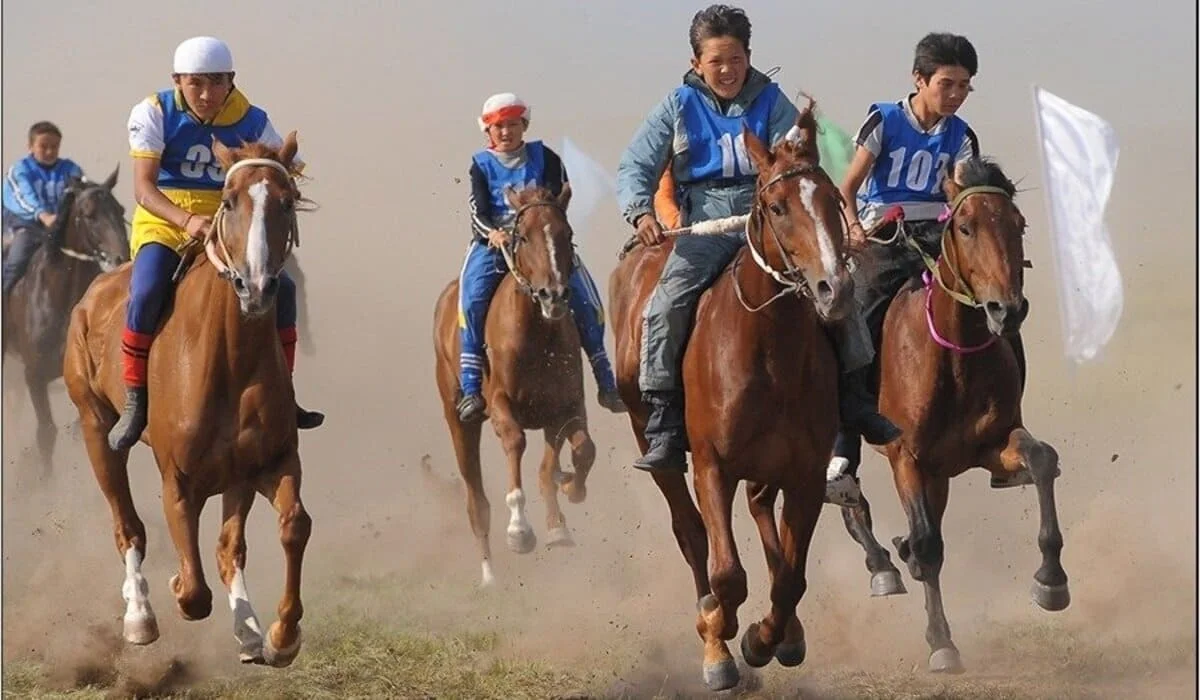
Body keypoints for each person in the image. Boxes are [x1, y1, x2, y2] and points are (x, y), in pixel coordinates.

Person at [615, 4, 900, 473]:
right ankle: (664, 423)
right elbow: (635, 166)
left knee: (833, 281)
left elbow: (796, 155)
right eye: (715, 61)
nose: (727, 70)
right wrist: (639, 212)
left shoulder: (772, 99)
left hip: (772, 219)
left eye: (735, 59)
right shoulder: (677, 106)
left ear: (749, 57)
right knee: (666, 303)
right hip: (704, 223)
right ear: (696, 64)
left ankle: (855, 400)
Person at [824, 32, 1028, 507]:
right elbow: (848, 185)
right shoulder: (885, 120)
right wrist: (853, 226)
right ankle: (842, 453)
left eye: (964, 86)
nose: (955, 94)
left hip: (938, 239)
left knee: (999, 310)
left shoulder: (962, 136)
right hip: (883, 237)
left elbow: (962, 195)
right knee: (853, 316)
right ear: (919, 79)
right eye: (947, 83)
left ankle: (1008, 420)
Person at [108, 35, 323, 451]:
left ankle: (284, 396)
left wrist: (280, 170)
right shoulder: (154, 112)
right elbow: (143, 188)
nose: (207, 94)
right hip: (166, 221)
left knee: (286, 291)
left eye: (217, 83)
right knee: (148, 287)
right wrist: (187, 220)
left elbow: (283, 167)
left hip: (230, 223)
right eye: (196, 83)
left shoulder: (254, 119)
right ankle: (135, 400)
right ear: (177, 81)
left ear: (231, 80)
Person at [456, 92, 627, 423]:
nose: (506, 132)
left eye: (513, 125)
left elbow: (558, 203)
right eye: (499, 126)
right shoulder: (480, 165)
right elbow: (477, 210)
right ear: (487, 131)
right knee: (471, 300)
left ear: (525, 125)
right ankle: (471, 389)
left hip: (541, 243)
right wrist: (492, 232)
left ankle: (606, 380)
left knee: (586, 298)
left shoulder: (546, 158)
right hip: (495, 244)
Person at [2, 121, 84, 295]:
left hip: (58, 227)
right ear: (30, 146)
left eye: (54, 146)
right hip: (26, 226)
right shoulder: (20, 169)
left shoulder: (70, 169)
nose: (49, 151)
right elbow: (23, 196)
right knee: (17, 260)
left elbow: (80, 193)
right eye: (43, 146)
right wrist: (43, 215)